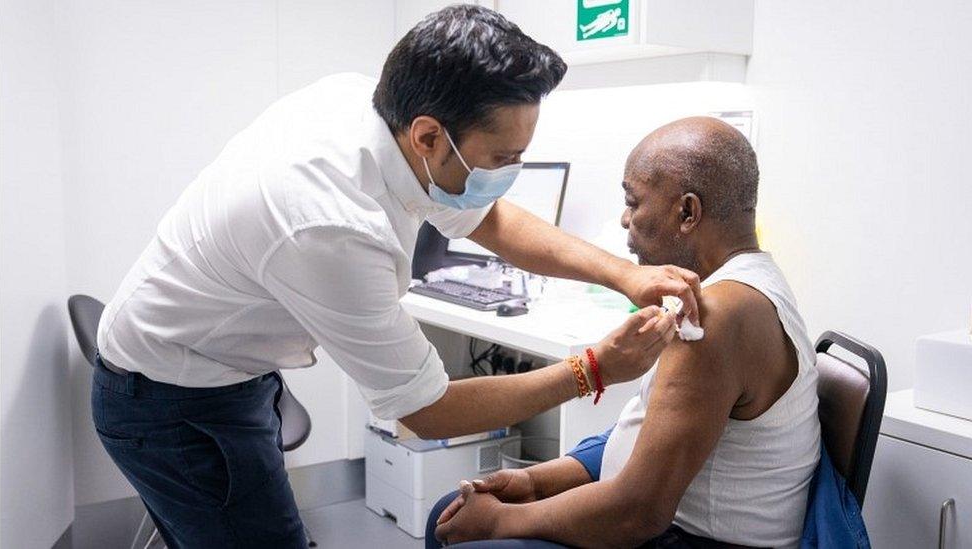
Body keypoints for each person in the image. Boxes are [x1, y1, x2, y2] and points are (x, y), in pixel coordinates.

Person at [92, 6, 702, 548]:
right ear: (429, 137)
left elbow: (486, 217)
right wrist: (591, 370)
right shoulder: (328, 223)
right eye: (503, 159)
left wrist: (627, 276)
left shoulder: (375, 107)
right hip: (173, 396)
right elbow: (425, 411)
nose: (513, 172)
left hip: (222, 365)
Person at [431, 117, 822, 549]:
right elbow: (640, 436)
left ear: (687, 212)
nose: (623, 219)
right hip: (667, 522)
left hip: (687, 539)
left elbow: (637, 513)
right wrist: (533, 481)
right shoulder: (750, 282)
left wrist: (500, 523)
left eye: (633, 202)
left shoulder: (717, 316)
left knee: (461, 534)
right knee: (452, 512)